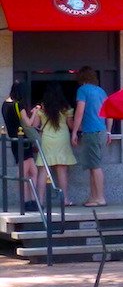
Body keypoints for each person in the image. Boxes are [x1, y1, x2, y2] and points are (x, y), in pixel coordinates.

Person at [26, 83, 77, 206]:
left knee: (43, 170)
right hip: (62, 140)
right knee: (62, 170)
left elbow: (34, 126)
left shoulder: (42, 109)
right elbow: (71, 125)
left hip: (46, 140)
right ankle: (64, 199)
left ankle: (40, 201)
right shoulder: (65, 108)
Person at [71, 66, 112, 207]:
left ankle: (100, 198)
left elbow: (79, 111)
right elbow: (109, 112)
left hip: (91, 132)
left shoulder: (82, 90)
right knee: (93, 165)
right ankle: (93, 197)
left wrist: (74, 131)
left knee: (95, 166)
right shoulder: (101, 91)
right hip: (101, 131)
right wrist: (109, 131)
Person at [2, 82, 38, 211]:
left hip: (14, 141)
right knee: (24, 173)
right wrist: (35, 112)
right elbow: (28, 123)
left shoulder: (5, 104)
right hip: (24, 142)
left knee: (33, 171)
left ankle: (33, 200)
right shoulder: (19, 104)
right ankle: (27, 201)